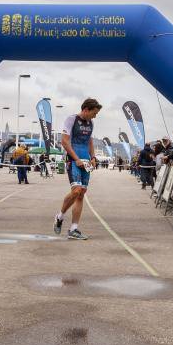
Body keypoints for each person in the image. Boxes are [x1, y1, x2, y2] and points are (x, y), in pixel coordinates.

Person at [53, 98, 102, 240]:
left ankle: (74, 229)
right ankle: (60, 216)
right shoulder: (71, 120)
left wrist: (93, 157)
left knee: (81, 194)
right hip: (73, 160)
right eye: (94, 113)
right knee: (76, 191)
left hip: (86, 161)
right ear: (86, 109)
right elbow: (64, 141)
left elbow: (90, 141)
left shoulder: (91, 123)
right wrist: (76, 159)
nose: (95, 116)